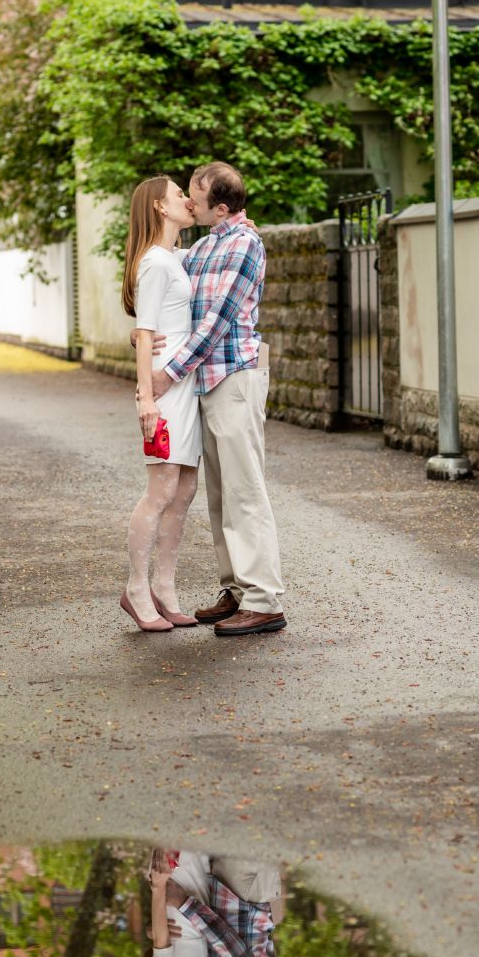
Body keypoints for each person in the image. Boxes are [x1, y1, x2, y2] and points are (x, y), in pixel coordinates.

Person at [147, 162, 286, 637]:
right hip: (207, 382)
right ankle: (236, 591)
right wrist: (142, 330)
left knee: (245, 490)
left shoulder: (245, 244)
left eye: (196, 196)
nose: (188, 201)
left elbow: (217, 322)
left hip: (234, 378)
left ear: (222, 206)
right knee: (221, 493)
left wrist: (167, 371)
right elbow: (166, 288)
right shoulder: (205, 246)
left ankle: (264, 599)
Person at [119, 176, 203, 633]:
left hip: (186, 387)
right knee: (161, 491)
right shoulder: (154, 262)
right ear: (158, 207)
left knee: (185, 490)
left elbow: (210, 253)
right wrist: (147, 399)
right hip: (164, 391)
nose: (187, 200)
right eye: (177, 195)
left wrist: (239, 222)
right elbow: (145, 331)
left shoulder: (175, 257)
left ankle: (165, 589)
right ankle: (136, 589)